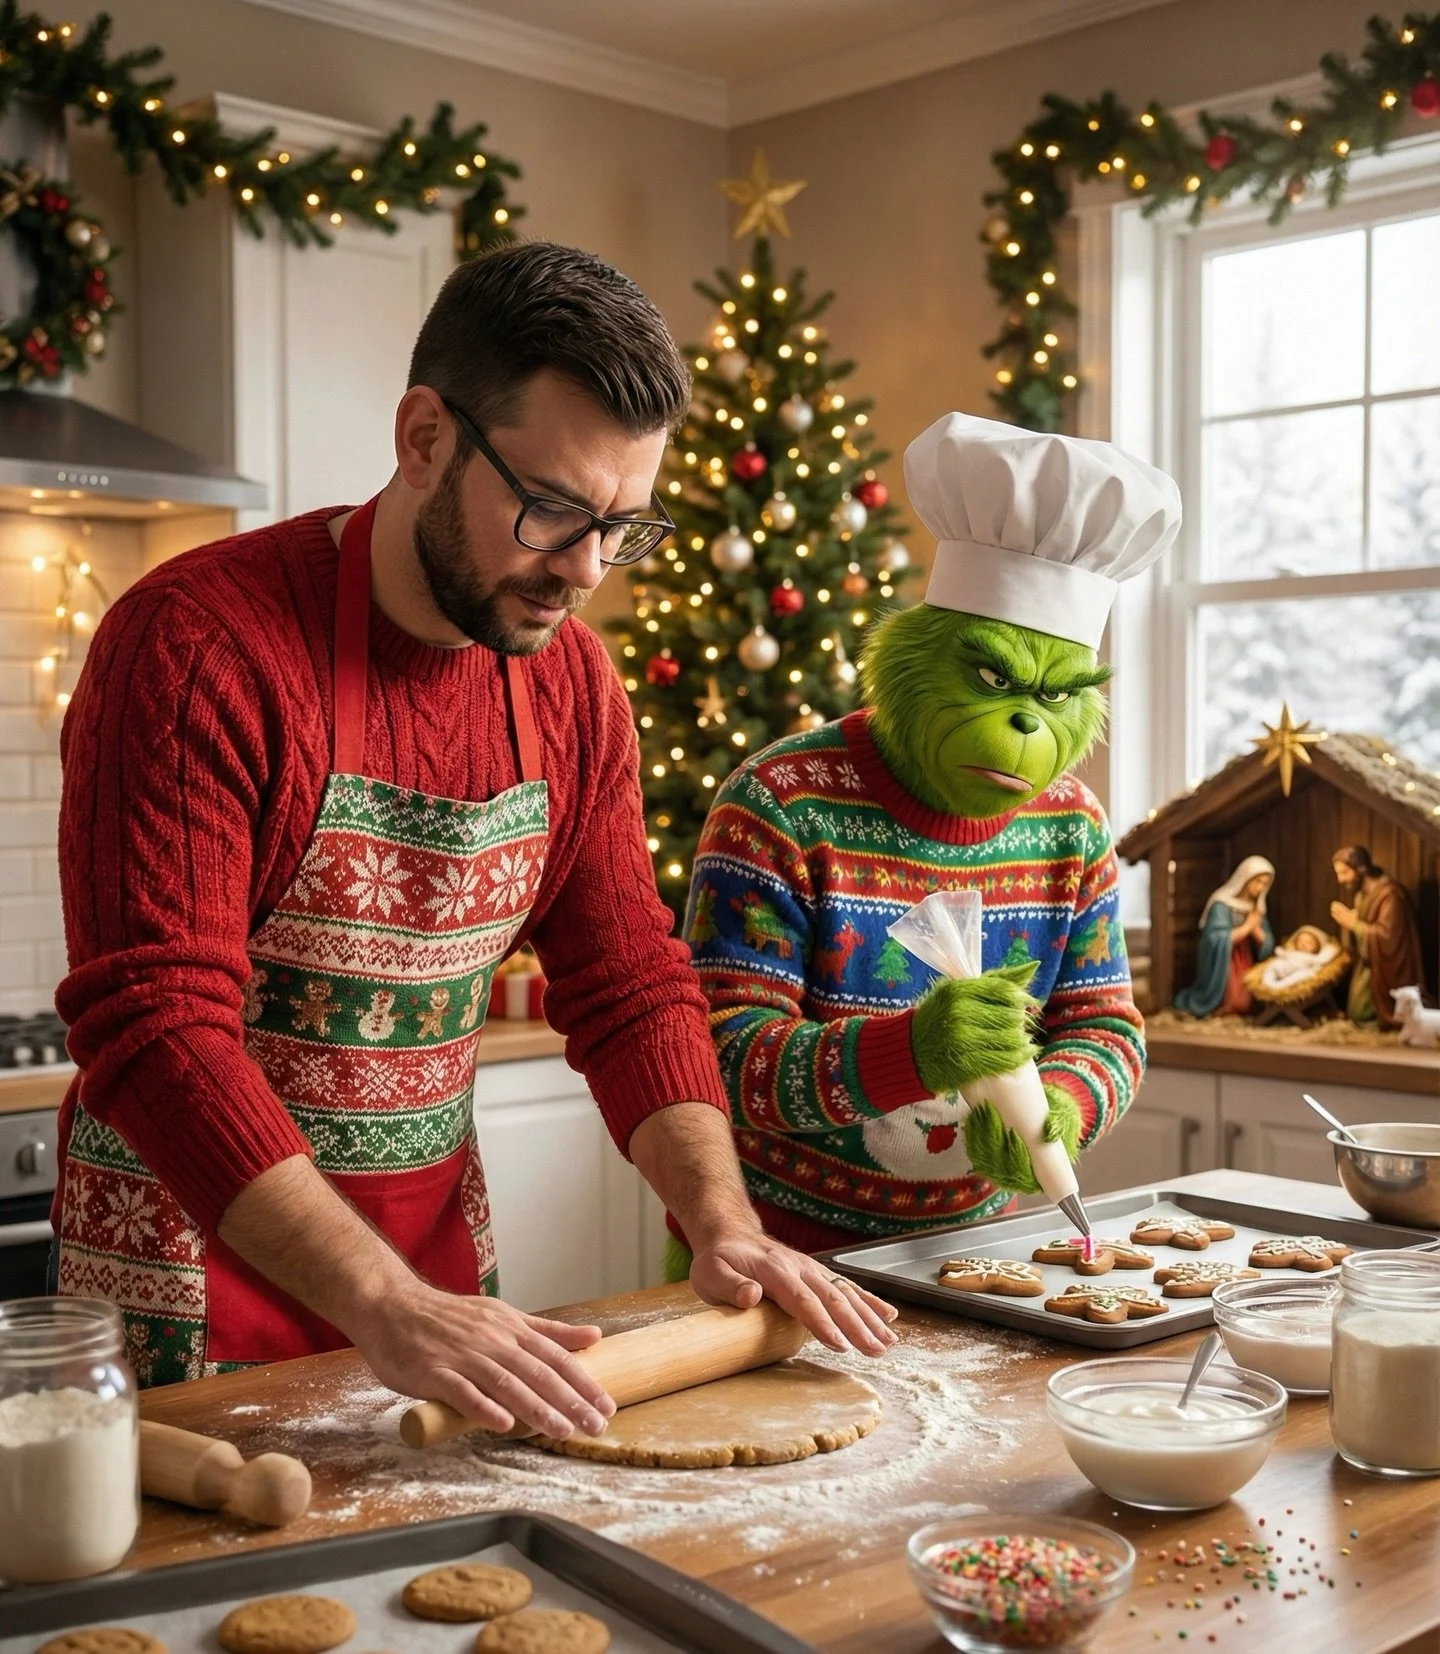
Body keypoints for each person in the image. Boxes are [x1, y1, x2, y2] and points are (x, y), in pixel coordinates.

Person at [52, 242, 895, 1424]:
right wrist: (379, 1300)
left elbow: (629, 982)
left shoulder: (572, 687)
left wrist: (721, 1221)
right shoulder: (197, 646)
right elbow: (155, 1025)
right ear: (424, 438)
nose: (587, 568)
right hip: (188, 1276)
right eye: (552, 509)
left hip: (437, 1291)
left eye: (622, 525)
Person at [675, 412, 1176, 1258]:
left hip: (979, 1250)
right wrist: (910, 1050)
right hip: (776, 1251)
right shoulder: (780, 802)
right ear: (914, 654)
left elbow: (1105, 1025)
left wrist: (1061, 1107)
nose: (1025, 720)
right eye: (992, 678)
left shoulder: (1072, 827)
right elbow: (718, 1058)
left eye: (1057, 696)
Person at [1330, 845, 1427, 1029]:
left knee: (1362, 1013)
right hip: (1370, 963)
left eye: (1344, 873)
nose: (1340, 880)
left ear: (1361, 869)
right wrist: (1350, 924)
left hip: (1389, 968)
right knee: (1357, 1012)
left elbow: (1388, 938)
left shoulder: (1390, 895)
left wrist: (1354, 924)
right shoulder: (1361, 895)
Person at [1173, 856, 1275, 1018]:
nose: (1260, 887)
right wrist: (1247, 927)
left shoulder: (1257, 908)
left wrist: (1256, 931)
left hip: (1246, 959)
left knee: (1245, 1002)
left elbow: (1268, 942)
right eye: (1257, 882)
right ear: (1245, 878)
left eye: (1264, 883)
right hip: (1224, 960)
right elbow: (1214, 938)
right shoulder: (1221, 904)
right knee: (1233, 1000)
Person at [1258, 925, 1339, 992]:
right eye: (1300, 941)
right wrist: (1282, 953)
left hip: (1297, 970)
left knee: (1302, 975)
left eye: (1309, 942)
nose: (1303, 944)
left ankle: (1279, 986)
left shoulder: (1313, 957)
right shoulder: (1292, 952)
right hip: (1283, 966)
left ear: (1317, 946)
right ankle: (1268, 983)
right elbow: (1284, 954)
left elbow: (1324, 957)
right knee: (1273, 964)